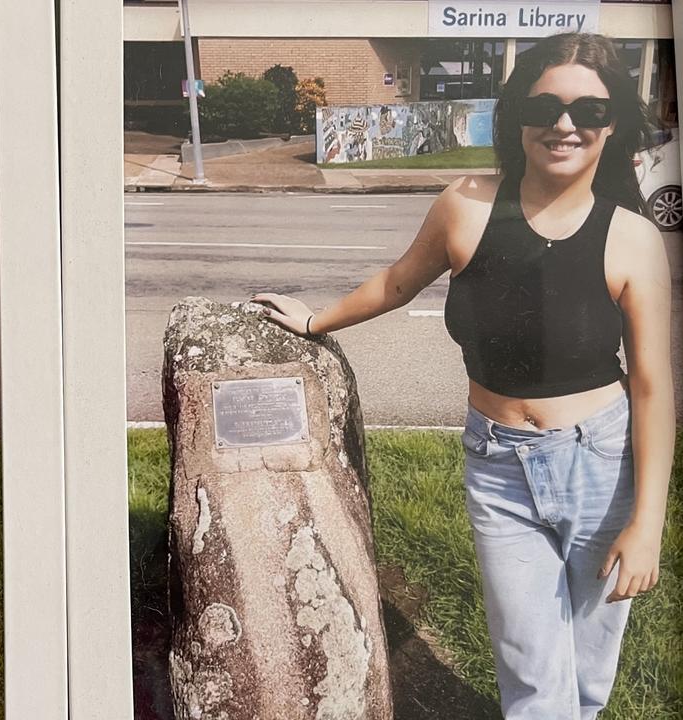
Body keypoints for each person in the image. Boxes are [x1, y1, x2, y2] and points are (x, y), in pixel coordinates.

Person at [254, 33, 673, 719]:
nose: (564, 124)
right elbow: (395, 282)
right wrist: (313, 323)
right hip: (498, 467)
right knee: (533, 673)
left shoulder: (630, 237)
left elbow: (653, 385)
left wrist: (646, 523)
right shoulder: (466, 205)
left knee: (588, 675)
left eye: (588, 111)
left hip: (599, 466)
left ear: (612, 123)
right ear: (516, 116)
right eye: (545, 105)